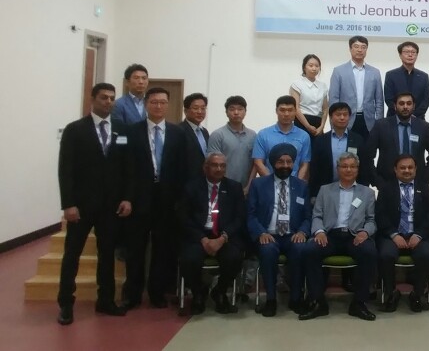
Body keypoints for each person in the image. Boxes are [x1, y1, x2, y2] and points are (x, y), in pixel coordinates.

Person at [57, 83, 133, 324]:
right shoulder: (75, 130)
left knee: (107, 254)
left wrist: (127, 197)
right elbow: (65, 169)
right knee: (72, 254)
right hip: (81, 205)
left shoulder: (122, 130)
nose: (108, 102)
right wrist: (68, 204)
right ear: (93, 99)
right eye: (103, 97)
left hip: (111, 206)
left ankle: (106, 300)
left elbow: (127, 168)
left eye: (112, 98)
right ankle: (66, 304)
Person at [121, 86, 188, 310]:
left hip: (167, 200)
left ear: (168, 105)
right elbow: (126, 168)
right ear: (146, 104)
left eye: (162, 102)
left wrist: (180, 200)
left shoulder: (178, 133)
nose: (158, 106)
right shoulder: (132, 132)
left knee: (162, 248)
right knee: (135, 248)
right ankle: (132, 294)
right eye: (154, 102)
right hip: (139, 198)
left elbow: (183, 169)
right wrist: (127, 197)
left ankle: (157, 293)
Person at [302, 153, 378, 321]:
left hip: (354, 236)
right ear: (338, 169)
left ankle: (359, 303)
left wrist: (365, 232)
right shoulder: (325, 190)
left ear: (357, 169)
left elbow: (371, 220)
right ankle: (318, 302)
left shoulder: (367, 193)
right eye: (344, 166)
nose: (348, 169)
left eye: (352, 166)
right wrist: (319, 232)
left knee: (369, 252)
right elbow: (317, 216)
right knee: (310, 250)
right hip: (330, 235)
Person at [247, 143, 320, 317]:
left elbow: (308, 216)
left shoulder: (301, 186)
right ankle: (271, 300)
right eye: (281, 162)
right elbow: (250, 214)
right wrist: (261, 233)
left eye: (289, 162)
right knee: (268, 251)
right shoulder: (258, 184)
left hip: (292, 235)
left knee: (300, 249)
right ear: (273, 163)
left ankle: (295, 298)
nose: (285, 165)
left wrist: (302, 232)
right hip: (268, 234)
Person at [177, 153, 244, 315]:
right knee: (189, 259)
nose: (219, 169)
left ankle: (220, 291)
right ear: (205, 167)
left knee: (235, 258)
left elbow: (240, 218)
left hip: (224, 237)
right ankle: (198, 292)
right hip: (198, 236)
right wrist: (202, 239)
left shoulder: (234, 188)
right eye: (215, 165)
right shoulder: (191, 187)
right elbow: (183, 217)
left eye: (222, 166)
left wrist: (223, 238)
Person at [375, 155, 429, 313]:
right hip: (393, 235)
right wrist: (394, 234)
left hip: (417, 235)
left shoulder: (425, 188)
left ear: (416, 169)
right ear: (395, 170)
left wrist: (419, 234)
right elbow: (380, 215)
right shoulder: (385, 189)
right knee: (386, 255)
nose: (407, 171)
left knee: (427, 253)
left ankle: (417, 294)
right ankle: (391, 293)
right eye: (402, 168)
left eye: (410, 167)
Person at [365, 92, 429, 186]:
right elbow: (367, 156)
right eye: (401, 103)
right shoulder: (381, 126)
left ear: (413, 106)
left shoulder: (423, 127)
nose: (405, 107)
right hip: (387, 184)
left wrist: (425, 180)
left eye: (409, 103)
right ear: (395, 106)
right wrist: (377, 181)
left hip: (417, 184)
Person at [328, 35, 383, 138]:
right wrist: (333, 123)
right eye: (356, 46)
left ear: (366, 50)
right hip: (345, 119)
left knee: (368, 148)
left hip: (368, 121)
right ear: (350, 49)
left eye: (363, 47)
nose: (360, 50)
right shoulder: (339, 71)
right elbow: (333, 99)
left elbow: (379, 101)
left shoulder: (375, 72)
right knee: (347, 148)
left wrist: (379, 123)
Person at [308, 102, 366, 196]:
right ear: (331, 117)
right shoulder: (321, 140)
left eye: (345, 115)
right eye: (338, 115)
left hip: (352, 190)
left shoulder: (358, 140)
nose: (342, 118)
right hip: (325, 190)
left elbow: (364, 167)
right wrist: (313, 194)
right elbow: (314, 168)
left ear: (349, 117)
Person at [251, 96, 312, 180]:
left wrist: (297, 184)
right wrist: (273, 183)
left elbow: (305, 164)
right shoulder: (263, 134)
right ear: (276, 111)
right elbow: (258, 162)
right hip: (269, 183)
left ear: (295, 111)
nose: (286, 114)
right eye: (282, 110)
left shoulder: (304, 136)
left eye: (290, 110)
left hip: (294, 184)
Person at [207, 95, 256, 187]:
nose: (236, 112)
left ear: (245, 112)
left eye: (240, 109)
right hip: (223, 187)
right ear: (226, 112)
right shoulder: (218, 135)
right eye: (232, 109)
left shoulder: (253, 135)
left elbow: (255, 163)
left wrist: (249, 186)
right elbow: (213, 165)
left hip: (246, 187)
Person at [384, 41, 429, 119]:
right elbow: (389, 99)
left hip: (417, 118)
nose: (410, 55)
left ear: (417, 55)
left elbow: (425, 100)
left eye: (413, 52)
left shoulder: (424, 76)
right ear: (400, 55)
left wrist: (413, 116)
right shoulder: (391, 75)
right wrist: (403, 114)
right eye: (406, 52)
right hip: (395, 118)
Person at [290, 54, 328, 137]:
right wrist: (308, 126)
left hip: (318, 123)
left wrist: (322, 126)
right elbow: (296, 108)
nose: (314, 68)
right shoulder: (297, 84)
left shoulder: (323, 86)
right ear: (304, 67)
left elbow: (325, 109)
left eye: (317, 66)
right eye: (311, 66)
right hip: (301, 122)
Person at [181, 93, 209, 178]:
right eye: (195, 108)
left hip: (203, 179)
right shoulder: (178, 131)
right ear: (185, 111)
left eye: (203, 108)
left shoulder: (205, 132)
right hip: (185, 179)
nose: (200, 112)